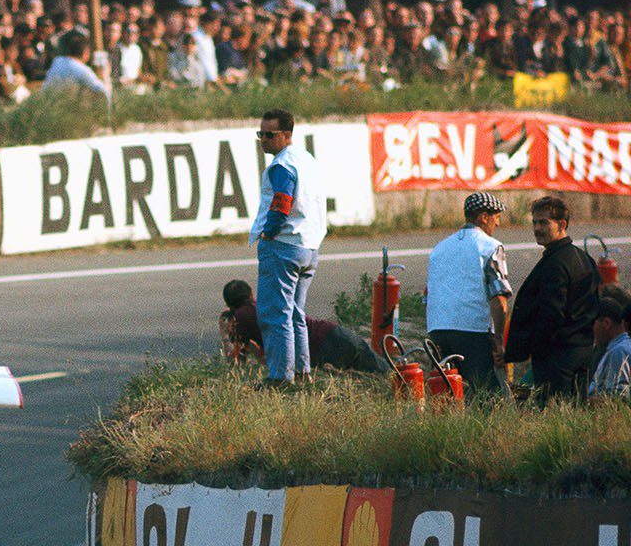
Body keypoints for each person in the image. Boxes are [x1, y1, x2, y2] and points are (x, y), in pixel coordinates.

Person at [250, 108, 326, 384]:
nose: (263, 140)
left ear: (286, 135)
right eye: (261, 134)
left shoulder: (282, 165)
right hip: (309, 245)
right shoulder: (306, 159)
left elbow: (281, 202)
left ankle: (280, 377)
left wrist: (269, 232)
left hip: (284, 245)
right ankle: (302, 372)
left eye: (269, 135)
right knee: (296, 314)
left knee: (274, 314)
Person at [505, 196, 601, 403]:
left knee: (554, 412)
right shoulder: (584, 258)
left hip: (558, 356)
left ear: (562, 224)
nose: (537, 228)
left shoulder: (556, 264)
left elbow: (551, 315)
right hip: (583, 349)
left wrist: (535, 348)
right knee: (575, 412)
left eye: (544, 222)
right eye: (534, 222)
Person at [424, 192, 513, 394]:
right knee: (486, 396)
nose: (497, 224)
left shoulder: (440, 248)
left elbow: (428, 294)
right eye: (496, 217)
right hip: (473, 331)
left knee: (448, 394)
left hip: (438, 329)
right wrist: (499, 341)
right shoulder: (490, 246)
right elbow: (499, 301)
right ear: (483, 217)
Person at [220, 280, 388, 374]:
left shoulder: (240, 318)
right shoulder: (268, 302)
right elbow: (264, 357)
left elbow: (234, 362)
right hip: (334, 333)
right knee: (387, 374)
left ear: (229, 303)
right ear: (251, 294)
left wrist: (224, 328)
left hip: (322, 349)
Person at [587, 291, 631, 399]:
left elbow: (618, 397)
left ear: (606, 323)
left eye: (593, 323)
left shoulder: (619, 351)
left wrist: (588, 402)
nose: (591, 329)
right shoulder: (616, 348)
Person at [41, 32, 109, 96]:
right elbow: (104, 92)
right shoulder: (80, 69)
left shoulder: (57, 61)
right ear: (85, 51)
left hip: (46, 104)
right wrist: (105, 71)